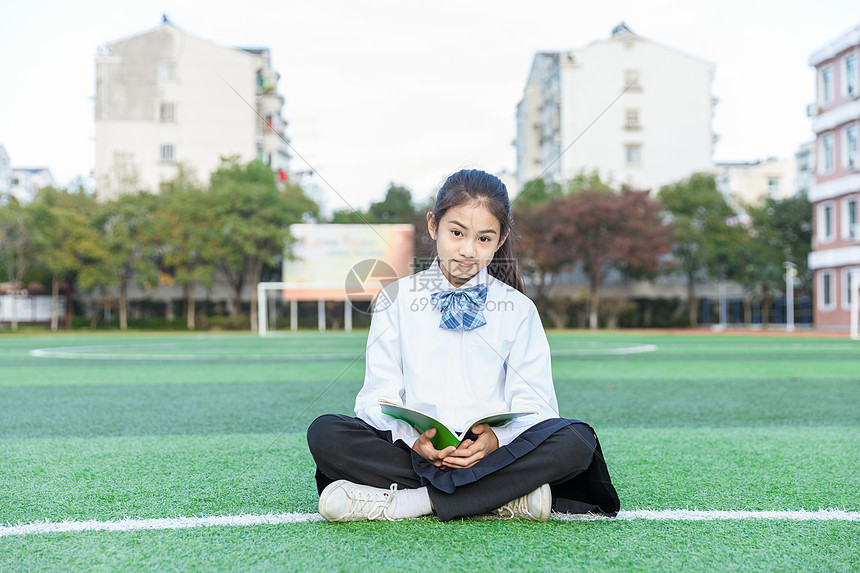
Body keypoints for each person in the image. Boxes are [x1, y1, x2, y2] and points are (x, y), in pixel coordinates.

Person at [306, 169, 619, 522]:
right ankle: (501, 497)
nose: (468, 250)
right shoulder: (396, 299)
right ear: (433, 226)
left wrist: (496, 441)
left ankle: (416, 501)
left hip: (495, 453)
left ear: (500, 242)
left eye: (484, 239)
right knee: (326, 432)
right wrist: (415, 442)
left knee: (577, 442)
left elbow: (536, 404)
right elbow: (376, 400)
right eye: (457, 233)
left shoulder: (518, 309)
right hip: (413, 452)